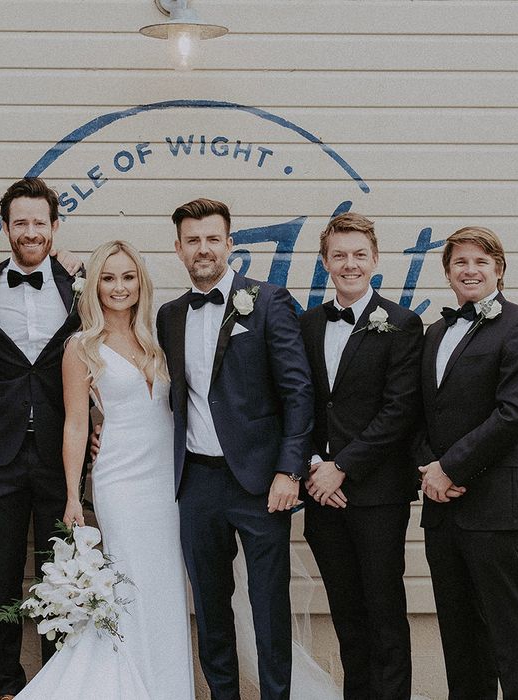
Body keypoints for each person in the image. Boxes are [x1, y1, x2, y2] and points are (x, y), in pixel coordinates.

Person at [14, 240, 194, 700]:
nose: (119, 287)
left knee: (165, 590)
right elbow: (76, 425)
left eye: (128, 277)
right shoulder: (81, 347)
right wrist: (74, 496)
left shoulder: (157, 338)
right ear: (94, 286)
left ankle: (166, 688)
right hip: (120, 483)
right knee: (129, 592)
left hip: (166, 487)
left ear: (141, 283)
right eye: (108, 278)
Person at [156, 198, 315, 700]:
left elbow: (298, 392)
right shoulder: (168, 315)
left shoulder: (268, 301)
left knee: (268, 602)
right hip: (197, 481)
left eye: (212, 239)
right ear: (178, 248)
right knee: (209, 603)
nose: (203, 249)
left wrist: (289, 470)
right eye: (192, 240)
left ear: (229, 243)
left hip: (261, 481)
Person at [417, 226, 518, 699]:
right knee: (460, 639)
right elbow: (420, 415)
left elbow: (516, 414)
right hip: (443, 509)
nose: (469, 270)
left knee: (511, 636)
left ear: (499, 268)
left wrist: (450, 467)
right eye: (459, 263)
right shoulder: (435, 332)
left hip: (499, 508)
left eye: (480, 262)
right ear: (448, 272)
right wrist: (429, 468)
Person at [0, 177, 83, 700]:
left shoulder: (80, 285)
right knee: (2, 570)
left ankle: (56, 681)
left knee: (57, 570)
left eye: (40, 223)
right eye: (21, 223)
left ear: (55, 229)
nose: (30, 232)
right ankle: (8, 685)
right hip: (0, 450)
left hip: (62, 450)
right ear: (7, 228)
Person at [299, 212, 423, 699]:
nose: (349, 264)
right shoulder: (308, 323)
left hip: (375, 495)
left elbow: (400, 410)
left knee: (384, 612)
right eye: (339, 256)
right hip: (320, 493)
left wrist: (342, 468)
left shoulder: (402, 324)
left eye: (358, 255)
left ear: (375, 259)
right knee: (346, 613)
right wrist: (314, 467)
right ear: (325, 262)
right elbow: (299, 402)